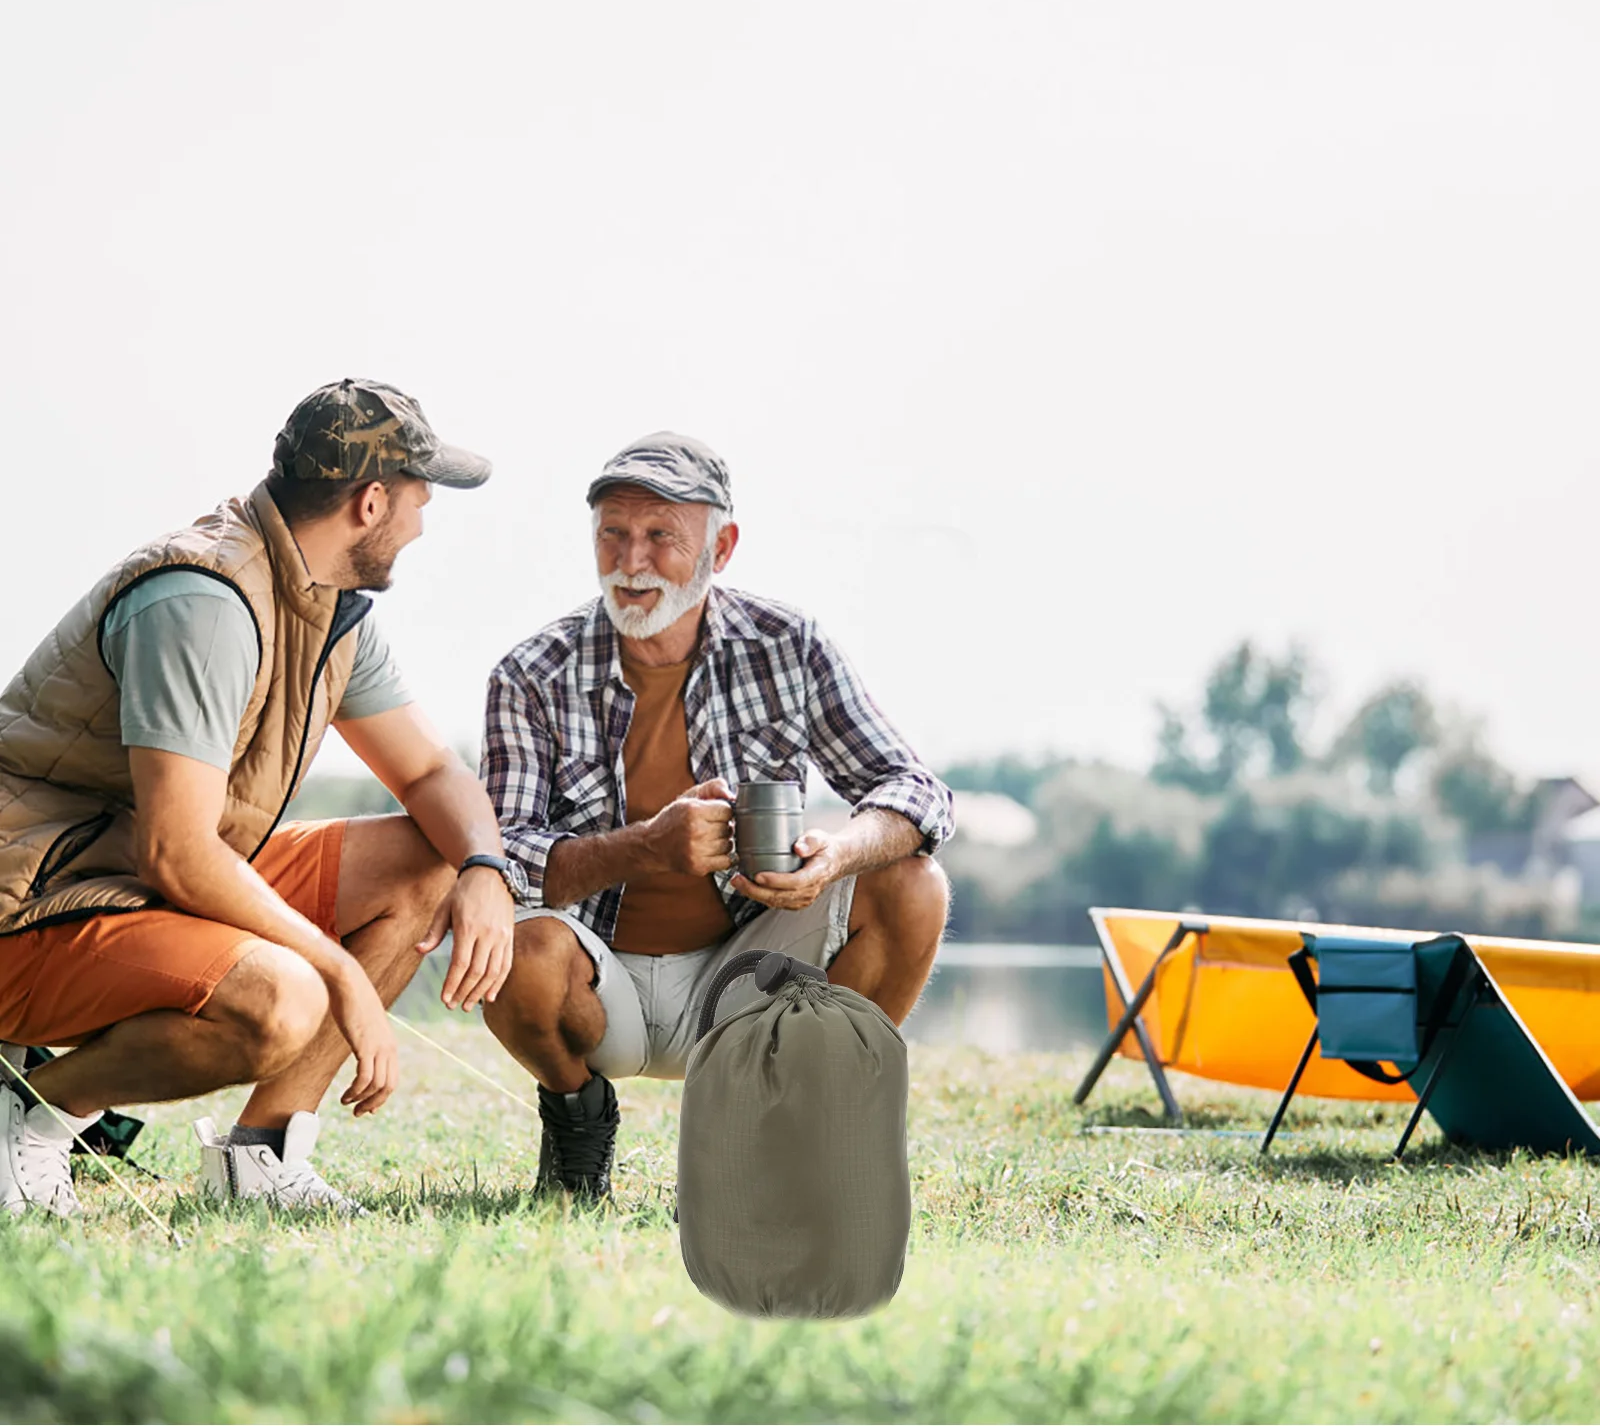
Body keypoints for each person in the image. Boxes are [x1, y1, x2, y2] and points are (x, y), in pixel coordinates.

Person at [0, 380, 525, 1217]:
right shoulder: (202, 600)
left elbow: (430, 775)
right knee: (285, 1000)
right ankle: (26, 1120)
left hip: (137, 879)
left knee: (431, 857)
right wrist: (342, 971)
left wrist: (488, 868)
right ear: (371, 500)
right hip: (32, 902)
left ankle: (263, 1158)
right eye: (422, 497)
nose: (425, 520)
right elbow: (177, 852)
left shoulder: (327, 603)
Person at [481, 432, 953, 1200]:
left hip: (747, 971)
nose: (632, 561)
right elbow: (500, 854)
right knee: (507, 939)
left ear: (721, 547)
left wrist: (836, 854)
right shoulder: (533, 673)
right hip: (599, 982)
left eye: (662, 536)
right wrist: (645, 849)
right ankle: (577, 1121)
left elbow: (914, 790)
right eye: (613, 535)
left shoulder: (786, 645)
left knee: (912, 881)